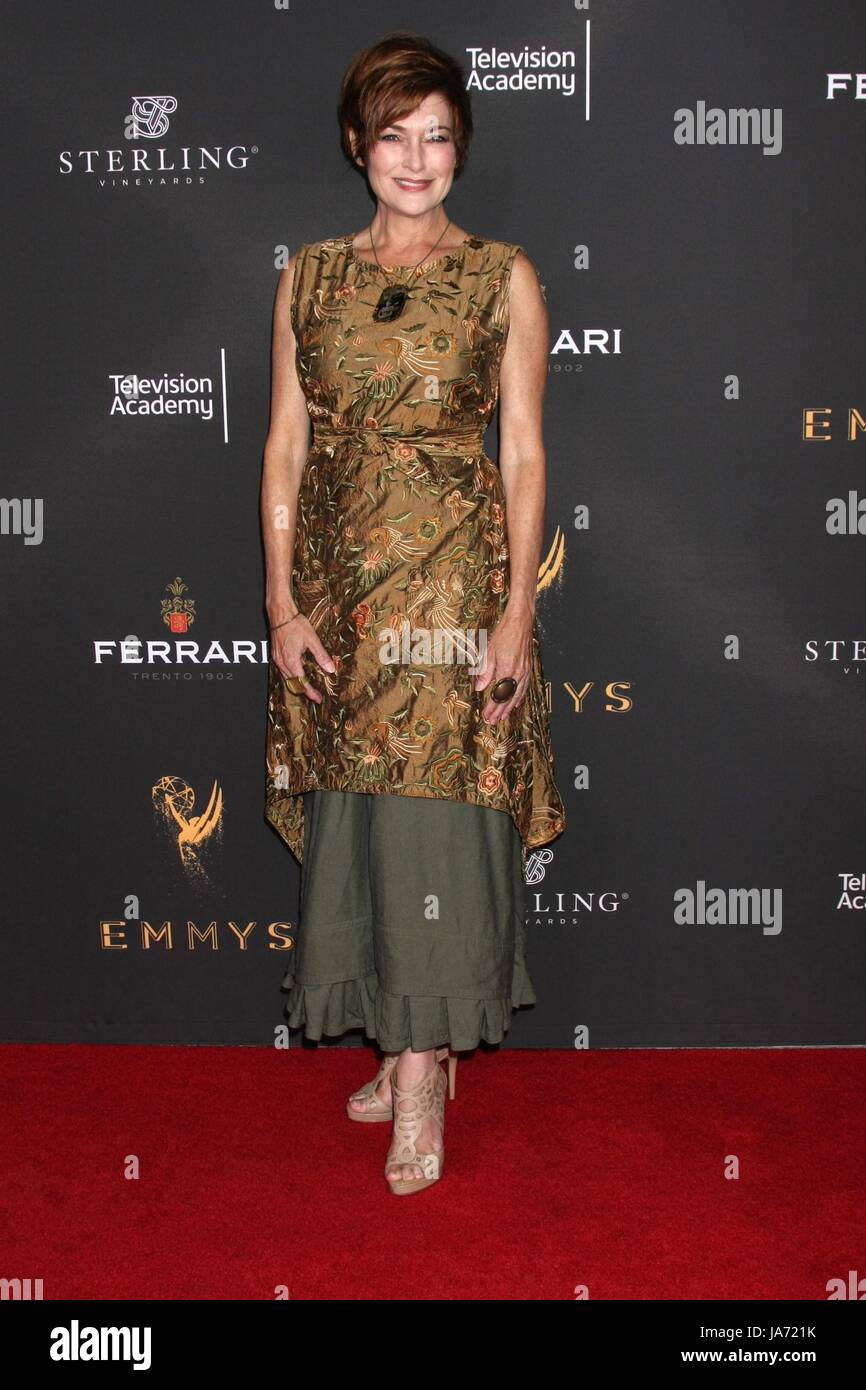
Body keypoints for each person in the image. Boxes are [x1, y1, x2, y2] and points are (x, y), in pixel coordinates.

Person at [261, 30, 566, 1195]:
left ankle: (426, 1075)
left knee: (437, 815)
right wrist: (281, 598)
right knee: (362, 817)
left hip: (450, 578)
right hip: (337, 579)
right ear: (357, 144)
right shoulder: (310, 274)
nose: (416, 157)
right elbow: (285, 444)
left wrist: (513, 620)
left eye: (437, 134)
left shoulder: (502, 275)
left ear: (461, 149)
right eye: (394, 134)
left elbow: (526, 453)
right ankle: (399, 1039)